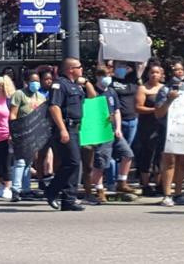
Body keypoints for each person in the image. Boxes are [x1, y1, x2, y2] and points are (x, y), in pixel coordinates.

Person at [45, 57, 95, 211]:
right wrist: (62, 129)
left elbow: (92, 97)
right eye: (80, 67)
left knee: (74, 163)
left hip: (76, 128)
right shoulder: (59, 85)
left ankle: (69, 200)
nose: (82, 70)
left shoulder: (75, 86)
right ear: (71, 69)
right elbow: (54, 107)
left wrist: (86, 83)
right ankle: (51, 190)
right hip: (65, 127)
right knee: (72, 162)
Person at [85, 67, 132, 205]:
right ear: (98, 77)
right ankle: (99, 190)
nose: (107, 78)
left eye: (109, 75)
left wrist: (118, 128)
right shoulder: (93, 92)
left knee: (127, 154)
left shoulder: (111, 92)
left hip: (113, 131)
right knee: (101, 162)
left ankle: (122, 181)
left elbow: (116, 110)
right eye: (104, 75)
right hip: (101, 132)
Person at [155, 59, 184, 207]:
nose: (179, 72)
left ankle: (178, 193)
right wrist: (169, 101)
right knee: (169, 161)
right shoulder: (164, 90)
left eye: (181, 70)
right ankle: (167, 194)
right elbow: (158, 113)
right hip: (169, 130)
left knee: (182, 161)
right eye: (176, 70)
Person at [9, 70, 47, 202]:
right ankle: (16, 189)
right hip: (21, 131)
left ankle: (26, 189)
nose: (35, 83)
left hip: (34, 133)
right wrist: (12, 131)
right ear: (26, 82)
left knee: (28, 163)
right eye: (32, 81)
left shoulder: (41, 97)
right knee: (20, 162)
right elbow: (13, 114)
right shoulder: (19, 95)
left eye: (37, 81)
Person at [106, 61, 140, 197]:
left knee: (126, 153)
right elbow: (101, 67)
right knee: (112, 154)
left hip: (131, 121)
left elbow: (141, 65)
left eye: (124, 67)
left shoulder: (133, 81)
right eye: (118, 67)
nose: (122, 69)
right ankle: (110, 182)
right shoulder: (111, 83)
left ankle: (121, 181)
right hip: (113, 124)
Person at [133, 64, 166, 196]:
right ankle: (145, 184)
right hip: (148, 126)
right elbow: (138, 107)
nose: (154, 75)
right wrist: (155, 110)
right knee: (148, 154)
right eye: (152, 72)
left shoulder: (164, 88)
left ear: (161, 75)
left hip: (162, 126)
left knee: (160, 155)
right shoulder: (143, 89)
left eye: (157, 72)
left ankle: (159, 184)